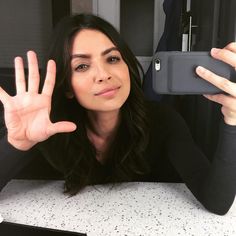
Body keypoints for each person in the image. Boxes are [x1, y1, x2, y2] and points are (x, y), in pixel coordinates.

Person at [0, 14, 236, 215]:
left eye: (112, 58)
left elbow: (217, 202)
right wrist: (17, 144)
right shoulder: (46, 128)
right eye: (82, 66)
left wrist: (233, 121)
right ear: (68, 87)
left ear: (127, 66)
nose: (103, 74)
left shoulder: (163, 120)